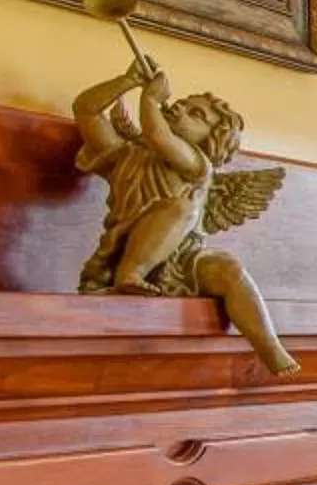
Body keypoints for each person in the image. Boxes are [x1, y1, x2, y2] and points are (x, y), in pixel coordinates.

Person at [71, 60, 298, 375]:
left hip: (182, 261)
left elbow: (159, 137)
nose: (178, 109)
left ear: (210, 141)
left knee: (229, 270)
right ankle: (130, 274)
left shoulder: (197, 164)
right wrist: (126, 82)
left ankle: (268, 345)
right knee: (177, 208)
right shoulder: (127, 157)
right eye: (179, 105)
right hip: (125, 257)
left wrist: (149, 100)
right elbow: (85, 110)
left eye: (196, 115)